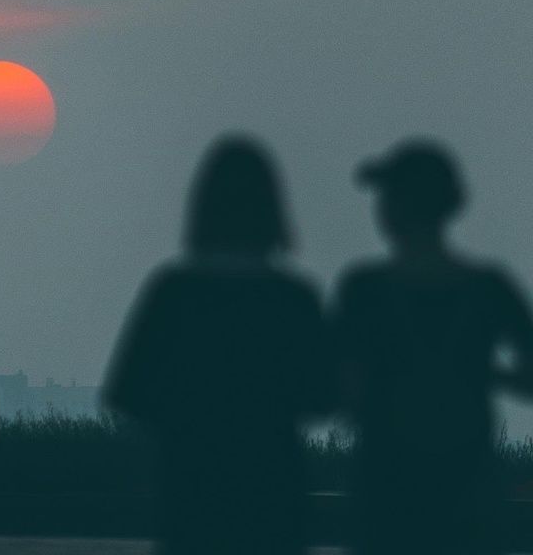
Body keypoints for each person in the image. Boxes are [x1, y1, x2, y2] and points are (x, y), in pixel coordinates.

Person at [103, 135, 328, 555]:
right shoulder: (293, 297)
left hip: (192, 483)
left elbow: (129, 393)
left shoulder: (173, 292)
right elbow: (323, 395)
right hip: (274, 485)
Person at [333, 139, 533, 555]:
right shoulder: (489, 288)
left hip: (386, 490)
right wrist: (481, 371)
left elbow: (341, 389)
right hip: (469, 490)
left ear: (397, 207)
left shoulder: (364, 289)